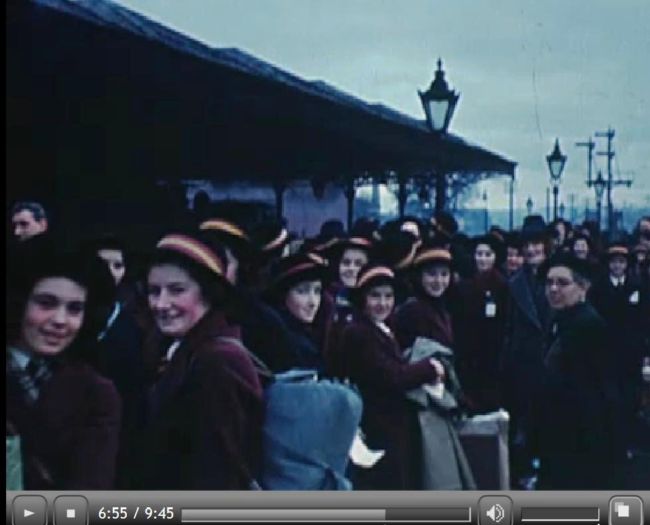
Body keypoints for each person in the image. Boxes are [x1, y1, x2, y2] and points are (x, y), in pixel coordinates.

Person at [135, 231, 263, 489]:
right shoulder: (179, 349)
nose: (161, 304)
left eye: (177, 290)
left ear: (208, 292)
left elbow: (218, 472)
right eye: (153, 291)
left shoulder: (218, 362)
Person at [6, 247, 121, 489]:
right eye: (46, 303)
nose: (60, 320)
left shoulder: (96, 393)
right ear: (17, 303)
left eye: (75, 309)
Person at [336, 263, 445, 489]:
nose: (383, 303)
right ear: (363, 299)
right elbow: (392, 376)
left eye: (388, 296)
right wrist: (430, 367)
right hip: (378, 425)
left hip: (391, 424)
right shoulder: (359, 332)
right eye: (375, 296)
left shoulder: (380, 328)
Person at [535, 253, 623, 489]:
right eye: (549, 283)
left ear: (582, 288)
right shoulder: (560, 319)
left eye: (562, 283)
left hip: (580, 437)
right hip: (560, 431)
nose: (553, 289)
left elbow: (599, 388)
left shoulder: (589, 325)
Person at [501, 215, 552, 488]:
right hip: (523, 365)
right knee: (524, 425)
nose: (531, 250)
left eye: (536, 244)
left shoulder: (559, 277)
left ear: (545, 246)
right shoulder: (514, 284)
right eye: (527, 245)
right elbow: (509, 329)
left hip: (554, 362)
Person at [455, 235, 509, 413]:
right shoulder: (463, 285)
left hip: (493, 350)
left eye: (487, 254)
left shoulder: (503, 285)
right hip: (468, 349)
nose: (482, 259)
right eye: (479, 254)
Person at [264, 251, 330, 373]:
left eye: (317, 291)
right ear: (283, 296)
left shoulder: (313, 334)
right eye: (302, 291)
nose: (313, 302)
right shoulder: (287, 345)